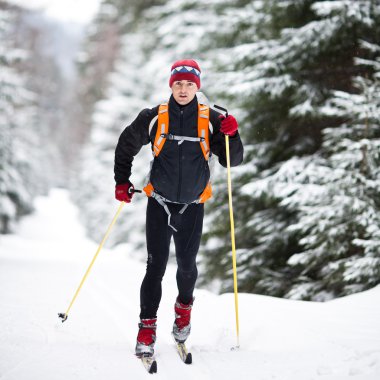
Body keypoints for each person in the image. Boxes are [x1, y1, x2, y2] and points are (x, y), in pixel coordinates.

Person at [114, 59, 244, 357]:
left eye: (189, 84)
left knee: (187, 268)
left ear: (197, 86)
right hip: (158, 202)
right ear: (170, 85)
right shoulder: (154, 117)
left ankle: (183, 314)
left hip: (192, 206)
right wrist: (122, 181)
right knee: (155, 268)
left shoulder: (212, 118)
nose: (183, 89)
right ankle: (146, 330)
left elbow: (231, 161)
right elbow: (125, 145)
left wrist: (231, 135)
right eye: (178, 84)